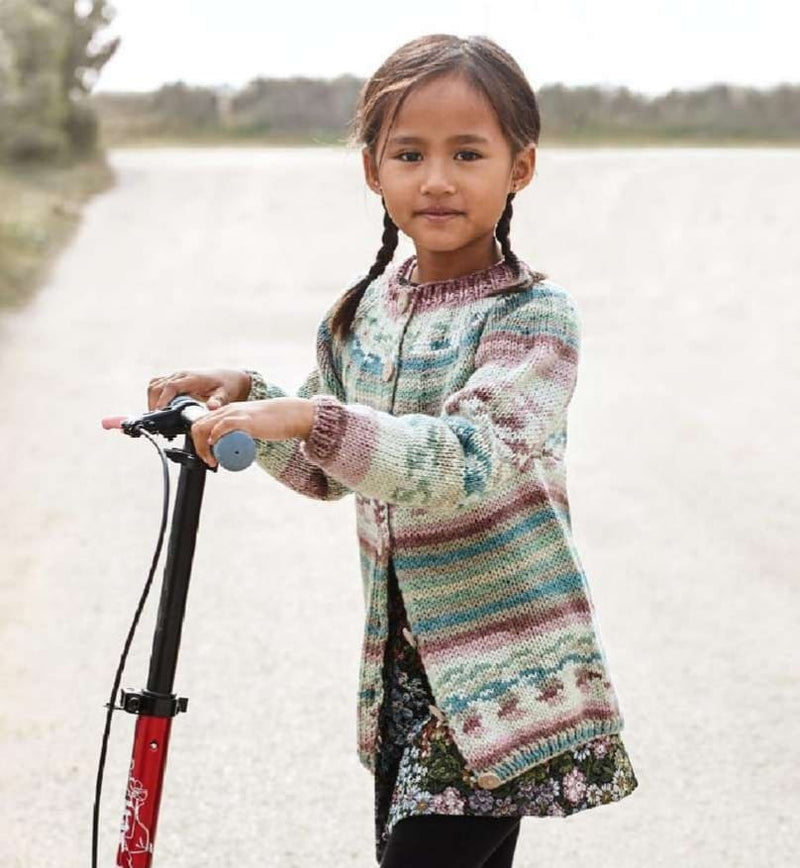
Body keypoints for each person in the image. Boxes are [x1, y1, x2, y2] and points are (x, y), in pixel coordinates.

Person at [147, 33, 639, 868]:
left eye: (467, 154)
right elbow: (324, 467)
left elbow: (464, 460)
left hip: (506, 676)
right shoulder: (364, 313)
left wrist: (306, 416)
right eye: (409, 154)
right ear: (373, 169)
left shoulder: (532, 318)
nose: (437, 179)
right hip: (408, 678)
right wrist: (250, 400)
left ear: (520, 168)